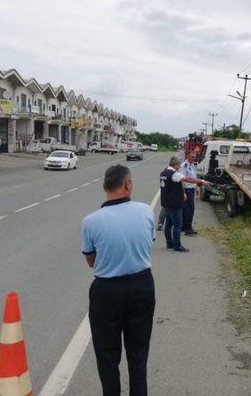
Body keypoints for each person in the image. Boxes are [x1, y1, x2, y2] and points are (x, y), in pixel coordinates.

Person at [81, 165, 156, 396]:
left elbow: (91, 260)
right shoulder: (145, 211)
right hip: (142, 286)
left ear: (105, 187)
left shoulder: (91, 221)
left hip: (107, 291)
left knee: (107, 355)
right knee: (138, 352)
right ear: (128, 184)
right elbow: (147, 242)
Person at [160, 155, 210, 252]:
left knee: (169, 224)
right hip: (174, 202)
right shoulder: (173, 173)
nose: (179, 167)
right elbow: (188, 179)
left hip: (166, 202)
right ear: (175, 164)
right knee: (177, 225)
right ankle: (177, 245)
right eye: (178, 165)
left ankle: (169, 244)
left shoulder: (163, 172)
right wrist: (202, 181)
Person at [180, 151, 199, 235]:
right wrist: (183, 192)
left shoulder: (192, 165)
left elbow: (194, 177)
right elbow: (182, 180)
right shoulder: (184, 166)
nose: (194, 159)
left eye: (195, 157)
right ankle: (188, 228)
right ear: (187, 156)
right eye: (192, 157)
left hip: (191, 189)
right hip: (187, 189)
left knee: (186, 209)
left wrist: (196, 187)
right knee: (190, 209)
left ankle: (184, 226)